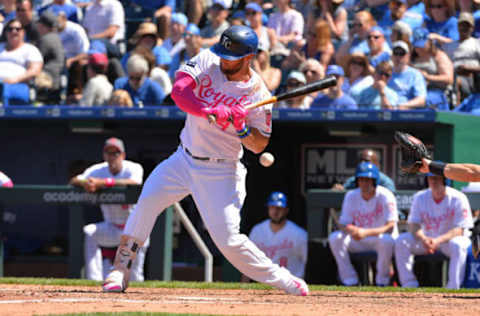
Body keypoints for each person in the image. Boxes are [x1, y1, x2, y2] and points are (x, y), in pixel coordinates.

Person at [101, 25, 309, 296]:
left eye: (230, 57)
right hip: (183, 159)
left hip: (221, 170)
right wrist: (208, 109)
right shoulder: (209, 59)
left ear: (248, 57)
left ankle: (282, 279)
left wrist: (241, 126)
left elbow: (259, 145)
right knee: (147, 201)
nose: (223, 60)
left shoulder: (258, 93)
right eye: (222, 54)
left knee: (228, 242)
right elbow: (179, 91)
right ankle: (120, 270)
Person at [69, 137, 147, 282]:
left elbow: (135, 182)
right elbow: (74, 180)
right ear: (104, 155)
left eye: (115, 153)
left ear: (122, 155)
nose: (112, 157)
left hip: (134, 230)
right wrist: (86, 183)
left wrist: (104, 183)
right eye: (108, 153)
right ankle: (94, 279)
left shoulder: (133, 167)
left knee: (135, 277)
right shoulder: (98, 170)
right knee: (89, 232)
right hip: (112, 227)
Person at [394, 173, 473, 289]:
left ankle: (453, 287)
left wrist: (437, 240)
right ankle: (408, 284)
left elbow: (460, 229)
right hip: (427, 240)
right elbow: (413, 224)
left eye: (437, 178)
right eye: (431, 178)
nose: (433, 181)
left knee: (458, 245)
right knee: (402, 240)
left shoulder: (458, 197)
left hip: (448, 241)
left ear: (445, 180)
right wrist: (424, 238)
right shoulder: (420, 197)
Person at [328, 161, 399, 286]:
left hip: (379, 238)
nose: (364, 183)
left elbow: (390, 226)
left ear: (374, 180)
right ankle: (350, 280)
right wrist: (352, 230)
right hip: (359, 238)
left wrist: (365, 232)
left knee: (387, 240)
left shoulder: (385, 195)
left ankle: (382, 281)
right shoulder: (351, 195)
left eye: (368, 179)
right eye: (361, 179)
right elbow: (344, 224)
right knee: (335, 238)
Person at [244, 192, 308, 280]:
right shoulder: (257, 231)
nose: (275, 211)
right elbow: (248, 260)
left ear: (286, 210)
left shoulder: (299, 234)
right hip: (264, 283)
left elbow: (307, 263)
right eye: (272, 207)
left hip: (291, 283)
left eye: (279, 208)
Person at [0, 18, 43, 105]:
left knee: (6, 91)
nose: (14, 31)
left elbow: (35, 70)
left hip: (18, 85)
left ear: (23, 32)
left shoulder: (30, 49)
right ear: (5, 32)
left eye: (18, 29)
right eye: (10, 29)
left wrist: (14, 79)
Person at [410, 27, 453, 110]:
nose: (419, 49)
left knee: (425, 101)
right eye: (416, 46)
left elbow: (448, 78)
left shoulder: (439, 56)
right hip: (415, 90)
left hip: (435, 92)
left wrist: (428, 77)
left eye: (422, 45)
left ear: (429, 42)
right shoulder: (411, 57)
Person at [443, 12, 480, 105]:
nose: (464, 28)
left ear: (472, 28)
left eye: (467, 26)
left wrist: (469, 69)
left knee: (459, 80)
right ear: (458, 26)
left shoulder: (477, 43)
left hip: (473, 79)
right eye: (462, 25)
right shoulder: (448, 46)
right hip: (453, 78)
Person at [387, 40, 427, 109]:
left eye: (402, 53)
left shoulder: (415, 75)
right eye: (395, 53)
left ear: (408, 56)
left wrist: (404, 106)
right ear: (391, 56)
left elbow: (421, 100)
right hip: (386, 110)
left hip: (406, 114)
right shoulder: (385, 73)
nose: (398, 57)